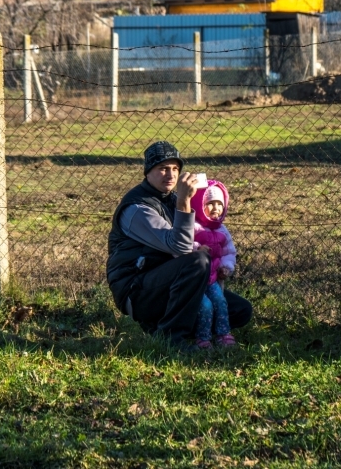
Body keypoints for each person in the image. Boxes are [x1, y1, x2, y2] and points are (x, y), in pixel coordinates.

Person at [106, 141, 252, 347]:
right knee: (198, 262)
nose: (171, 175)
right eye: (163, 168)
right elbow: (180, 247)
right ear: (148, 172)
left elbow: (200, 231)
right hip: (137, 289)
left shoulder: (171, 198)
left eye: (175, 169)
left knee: (239, 310)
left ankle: (174, 326)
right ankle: (171, 338)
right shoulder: (137, 208)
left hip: (170, 281)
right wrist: (184, 200)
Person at [190, 180, 237, 348]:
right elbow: (182, 245)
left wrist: (226, 267)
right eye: (210, 203)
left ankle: (223, 333)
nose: (216, 208)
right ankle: (202, 338)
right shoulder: (193, 226)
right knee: (205, 306)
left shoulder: (222, 230)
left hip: (213, 278)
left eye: (219, 204)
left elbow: (229, 252)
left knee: (220, 301)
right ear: (199, 204)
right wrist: (197, 248)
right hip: (195, 281)